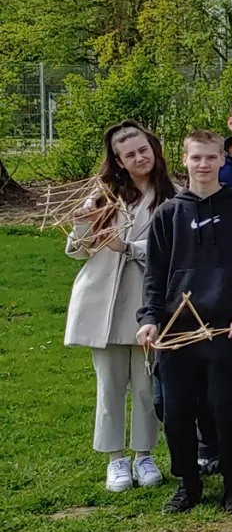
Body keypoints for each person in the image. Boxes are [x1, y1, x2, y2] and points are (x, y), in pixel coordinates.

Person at [136, 130, 232, 515]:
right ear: (184, 160)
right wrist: (150, 319)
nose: (204, 165)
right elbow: (155, 276)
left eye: (211, 157)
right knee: (176, 411)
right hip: (178, 333)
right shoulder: (168, 214)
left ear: (223, 160)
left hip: (227, 329)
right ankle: (188, 484)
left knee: (226, 407)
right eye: (196, 158)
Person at [66, 121, 178, 493]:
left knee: (147, 385)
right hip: (103, 303)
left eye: (143, 149)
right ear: (118, 160)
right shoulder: (103, 194)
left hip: (148, 303)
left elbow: (176, 252)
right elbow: (78, 249)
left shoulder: (174, 195)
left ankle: (145, 455)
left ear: (154, 148)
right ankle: (116, 460)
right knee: (109, 386)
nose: (139, 158)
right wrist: (84, 223)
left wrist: (129, 248)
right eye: (129, 154)